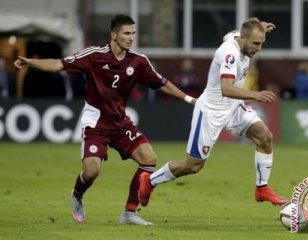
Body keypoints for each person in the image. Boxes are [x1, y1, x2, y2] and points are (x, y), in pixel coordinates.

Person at [14, 14, 196, 225]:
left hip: (120, 122)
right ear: (114, 34)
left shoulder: (138, 61)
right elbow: (58, 65)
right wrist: (30, 62)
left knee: (149, 159)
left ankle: (129, 213)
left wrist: (188, 98)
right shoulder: (94, 56)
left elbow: (161, 83)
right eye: (126, 33)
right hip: (96, 123)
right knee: (92, 171)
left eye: (133, 33)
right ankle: (77, 194)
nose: (131, 38)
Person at [138, 18, 287, 209]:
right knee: (193, 166)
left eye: (262, 43)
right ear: (242, 38)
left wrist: (261, 28)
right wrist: (255, 95)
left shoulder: (240, 38)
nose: (259, 48)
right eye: (256, 43)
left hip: (233, 107)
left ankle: (262, 189)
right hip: (211, 112)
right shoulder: (230, 54)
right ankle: (149, 181)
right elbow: (226, 88)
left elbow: (236, 31)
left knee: (265, 137)